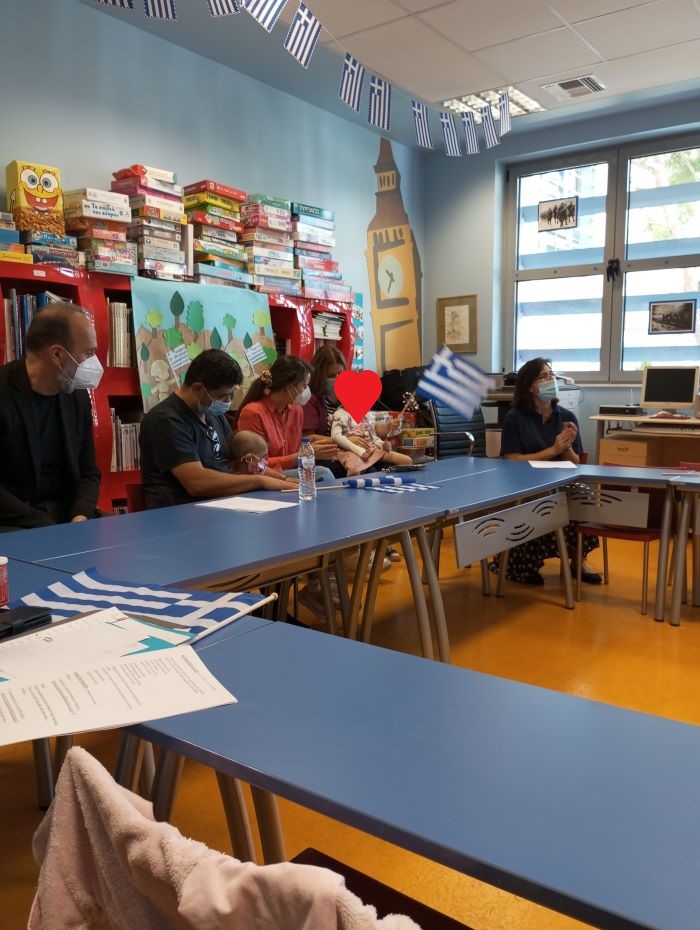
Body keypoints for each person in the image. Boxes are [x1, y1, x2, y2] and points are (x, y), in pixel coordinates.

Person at [139, 349, 292, 509]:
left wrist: (283, 480)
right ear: (198, 388)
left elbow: (243, 460)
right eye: (222, 396)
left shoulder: (211, 413)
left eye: (230, 395)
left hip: (220, 505)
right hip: (180, 512)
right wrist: (259, 481)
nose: (227, 401)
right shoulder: (165, 420)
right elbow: (197, 482)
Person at [495, 357, 601, 585]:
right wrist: (553, 450)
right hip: (526, 483)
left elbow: (576, 462)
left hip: (559, 482)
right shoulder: (515, 418)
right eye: (543, 376)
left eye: (551, 374)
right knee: (539, 503)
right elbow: (511, 459)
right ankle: (525, 564)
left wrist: (567, 447)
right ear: (530, 386)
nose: (551, 379)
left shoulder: (567, 417)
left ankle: (577, 561)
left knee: (583, 496)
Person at [0, 302, 102, 532]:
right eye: (88, 353)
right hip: (14, 521)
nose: (94, 362)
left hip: (68, 516)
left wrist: (81, 515)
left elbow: (89, 471)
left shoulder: (77, 395)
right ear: (57, 354)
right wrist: (45, 527)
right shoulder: (3, 391)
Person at [237, 355, 336, 481]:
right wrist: (301, 456)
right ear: (289, 387)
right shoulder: (253, 413)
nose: (307, 391)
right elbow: (254, 464)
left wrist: (319, 448)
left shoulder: (296, 410)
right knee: (324, 473)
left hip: (290, 470)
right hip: (265, 475)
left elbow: (294, 448)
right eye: (305, 386)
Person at [330, 407, 413, 476]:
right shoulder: (339, 414)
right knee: (355, 471)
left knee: (407, 460)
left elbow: (372, 436)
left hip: (370, 448)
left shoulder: (366, 414)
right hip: (349, 450)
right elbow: (335, 436)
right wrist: (358, 450)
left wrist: (382, 444)